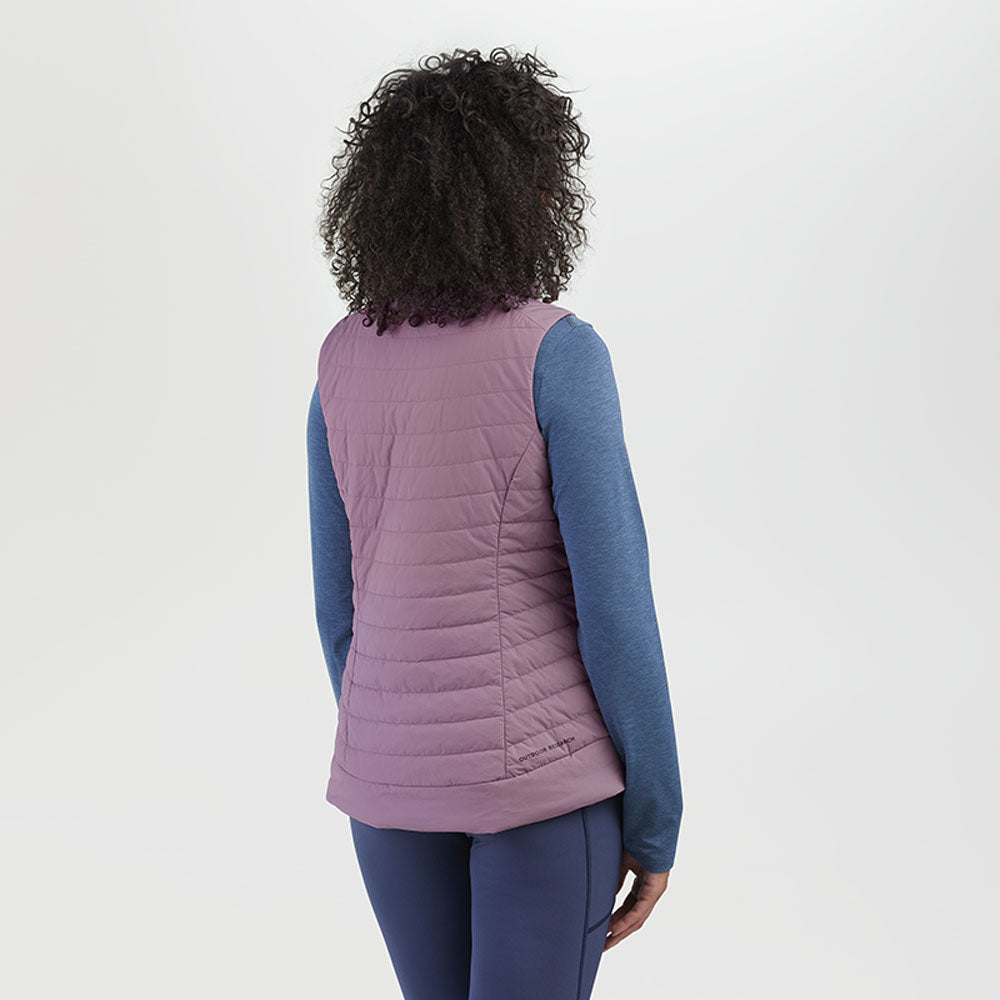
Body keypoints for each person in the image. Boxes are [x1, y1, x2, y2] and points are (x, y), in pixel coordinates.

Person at [307, 46, 683, 1000]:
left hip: (387, 790)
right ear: (530, 192)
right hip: (541, 789)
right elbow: (615, 612)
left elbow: (339, 612)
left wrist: (400, 742)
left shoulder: (340, 358)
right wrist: (656, 820)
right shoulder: (558, 352)